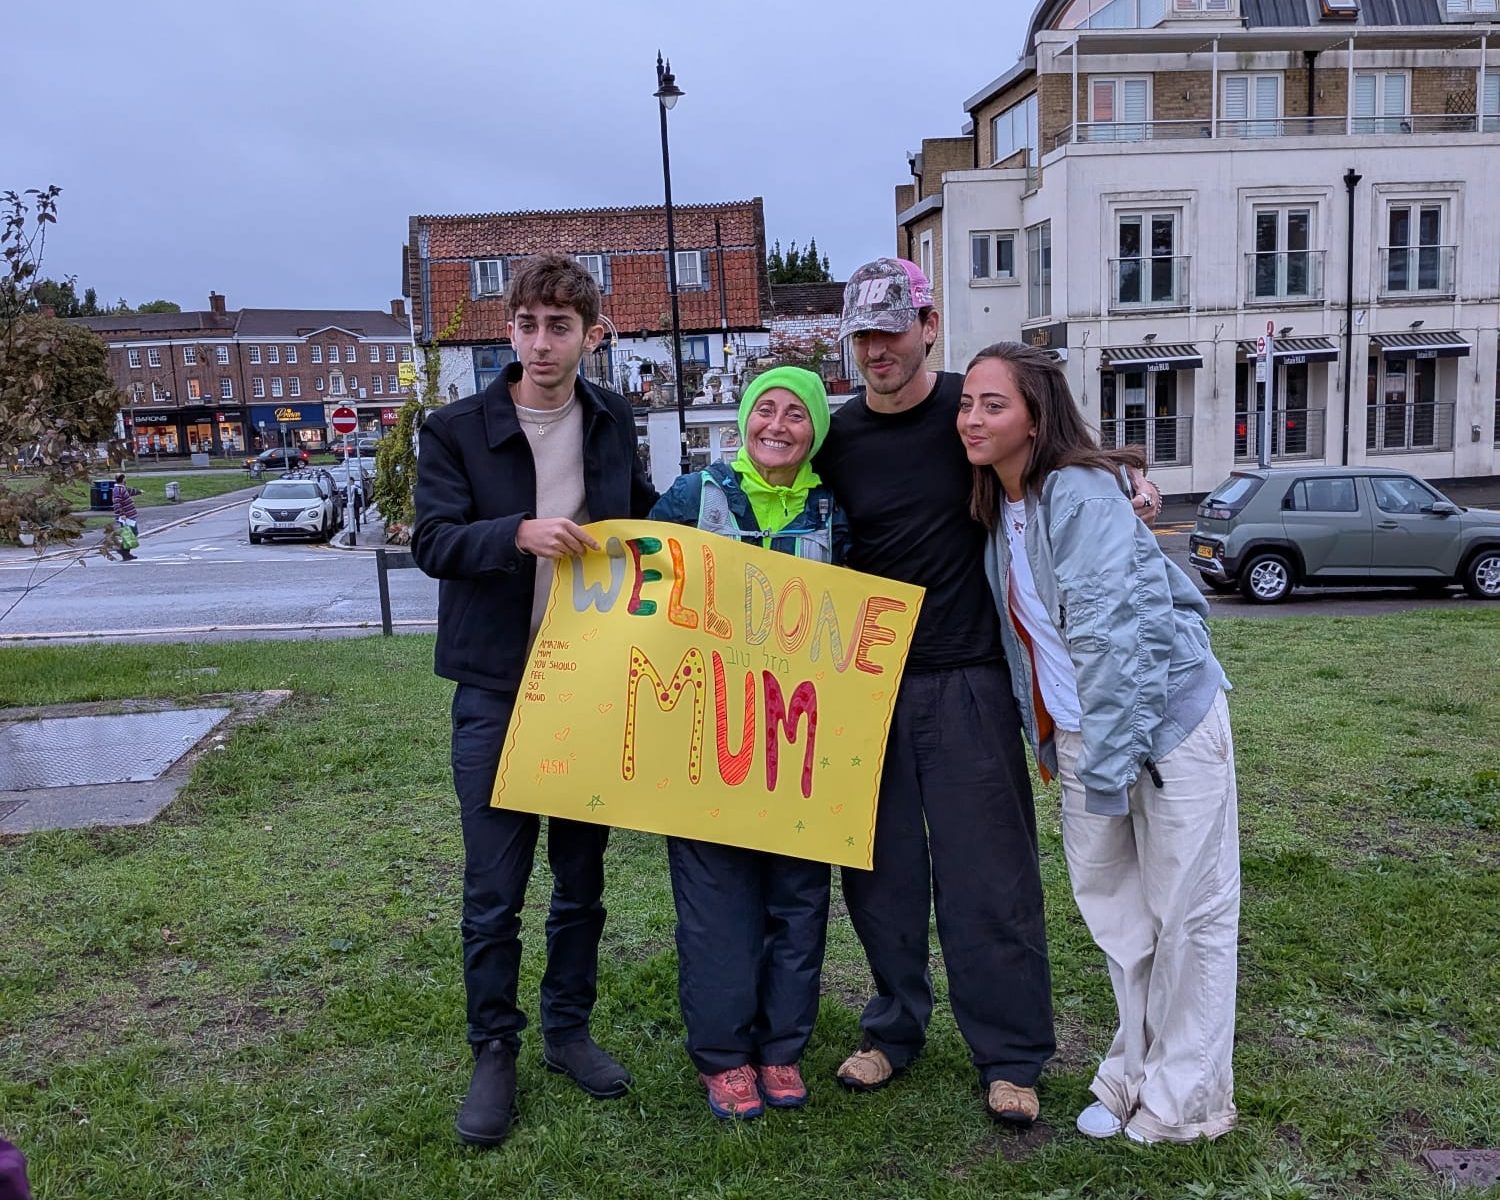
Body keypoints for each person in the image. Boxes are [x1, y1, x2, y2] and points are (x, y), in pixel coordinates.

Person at [959, 341, 1239, 1144]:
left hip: (1163, 731)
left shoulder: (1076, 493)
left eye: (993, 405)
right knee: (1122, 921)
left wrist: (1110, 767)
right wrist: (1063, 745)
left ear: (1035, 417)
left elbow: (1118, 642)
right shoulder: (1001, 503)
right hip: (1091, 740)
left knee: (1188, 914)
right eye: (967, 403)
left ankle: (1186, 1102)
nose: (972, 419)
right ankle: (1131, 1074)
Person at [411, 253, 659, 1149]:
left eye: (561, 326)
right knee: (494, 889)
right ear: (509, 330)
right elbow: (432, 542)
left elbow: (642, 518)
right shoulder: (454, 429)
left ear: (592, 335)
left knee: (581, 883)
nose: (543, 342)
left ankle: (567, 1030)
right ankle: (494, 1049)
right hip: (495, 690)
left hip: (587, 686)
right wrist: (515, 534)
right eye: (528, 325)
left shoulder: (611, 418)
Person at [813, 258, 1055, 1125]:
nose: (876, 350)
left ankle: (1011, 1054)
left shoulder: (971, 414)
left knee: (990, 877)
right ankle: (893, 1028)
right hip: (865, 688)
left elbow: (1057, 461)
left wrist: (1127, 480)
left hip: (967, 679)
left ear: (927, 326)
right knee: (877, 875)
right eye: (862, 336)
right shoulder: (835, 438)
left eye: (891, 331)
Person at [648, 366, 842, 1121]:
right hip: (709, 733)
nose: (778, 426)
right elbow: (641, 583)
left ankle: (781, 1048)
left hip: (799, 740)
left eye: (797, 414)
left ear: (815, 430)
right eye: (766, 409)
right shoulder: (694, 498)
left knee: (798, 900)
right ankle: (725, 1057)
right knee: (716, 906)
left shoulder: (833, 508)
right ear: (743, 420)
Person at [111, 471, 142, 560]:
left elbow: (129, 491)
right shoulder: (118, 489)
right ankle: (123, 550)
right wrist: (121, 514)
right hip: (126, 517)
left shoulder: (122, 488)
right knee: (132, 533)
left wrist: (139, 492)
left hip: (129, 515)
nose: (126, 479)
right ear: (123, 479)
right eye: (125, 478)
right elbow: (117, 503)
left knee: (129, 533)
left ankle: (126, 553)